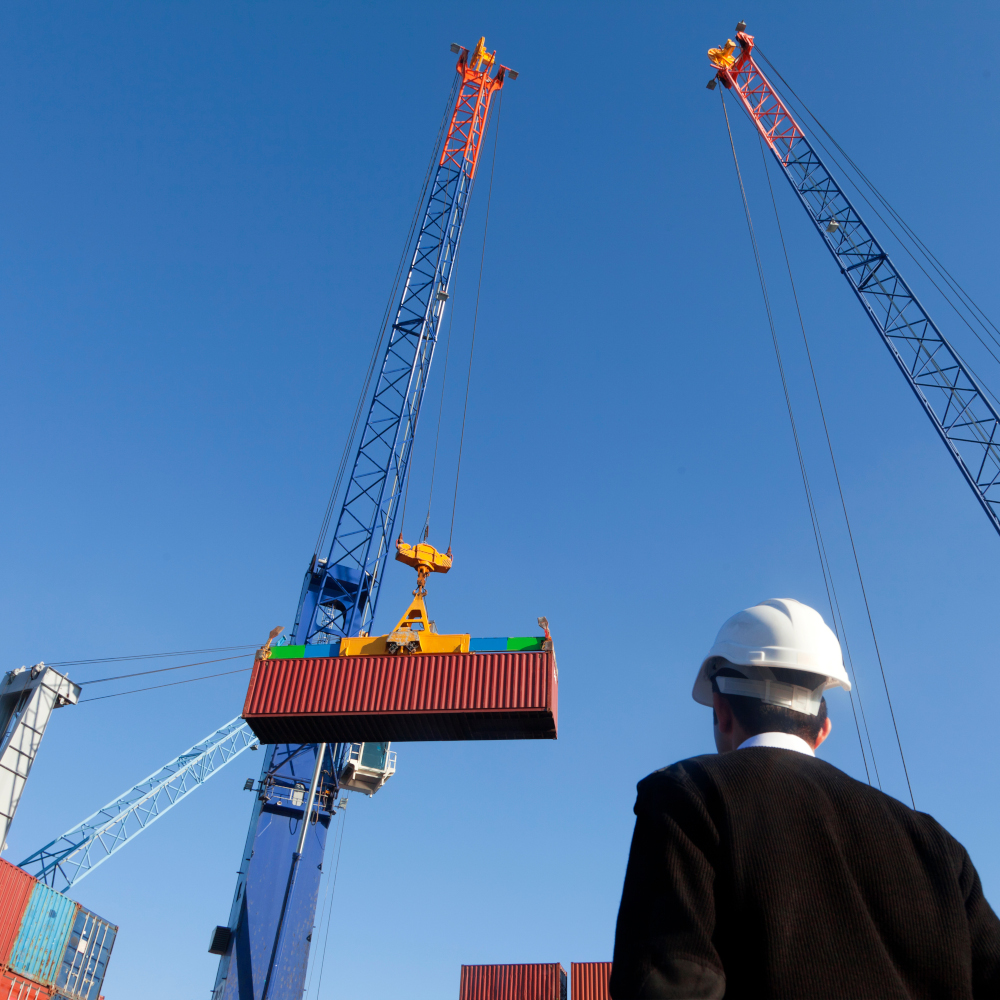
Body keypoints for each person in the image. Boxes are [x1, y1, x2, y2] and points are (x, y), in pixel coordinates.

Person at [609, 598, 1000, 1000]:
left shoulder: (687, 796)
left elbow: (667, 983)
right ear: (823, 728)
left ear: (722, 710)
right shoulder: (940, 849)